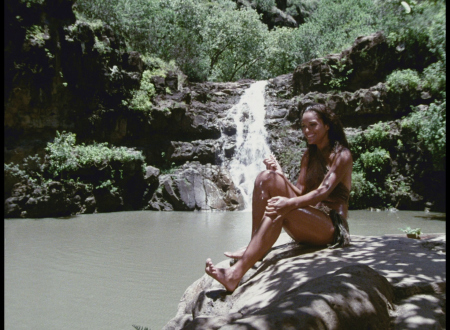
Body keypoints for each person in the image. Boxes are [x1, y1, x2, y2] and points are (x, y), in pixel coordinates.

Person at [205, 103, 353, 292]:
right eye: (303, 126)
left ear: (327, 125)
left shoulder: (342, 154)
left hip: (332, 228)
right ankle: (255, 246)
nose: (307, 130)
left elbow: (322, 192)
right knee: (265, 178)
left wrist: (288, 203)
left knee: (280, 209)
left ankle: (234, 275)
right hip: (309, 219)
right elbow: (300, 192)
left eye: (313, 125)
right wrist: (279, 173)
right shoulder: (309, 155)